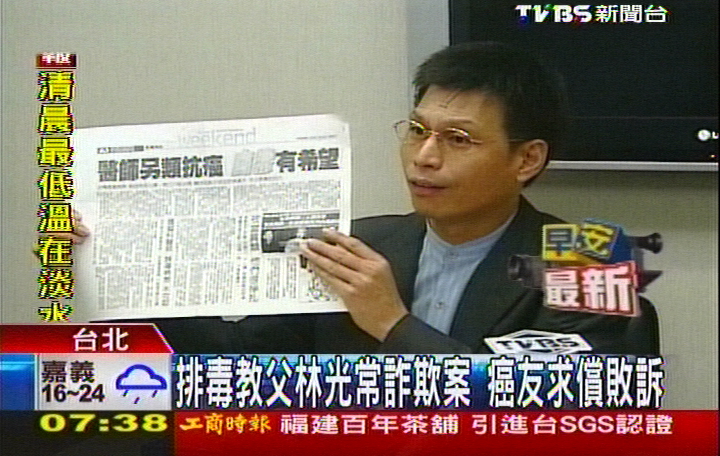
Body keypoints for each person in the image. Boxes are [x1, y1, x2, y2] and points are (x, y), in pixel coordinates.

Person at [52, 42, 659, 355]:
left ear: (527, 159)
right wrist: (114, 265)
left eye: (458, 139)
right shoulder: (359, 243)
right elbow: (234, 358)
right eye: (417, 130)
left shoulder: (590, 266)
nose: (424, 157)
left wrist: (391, 322)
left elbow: (542, 418)